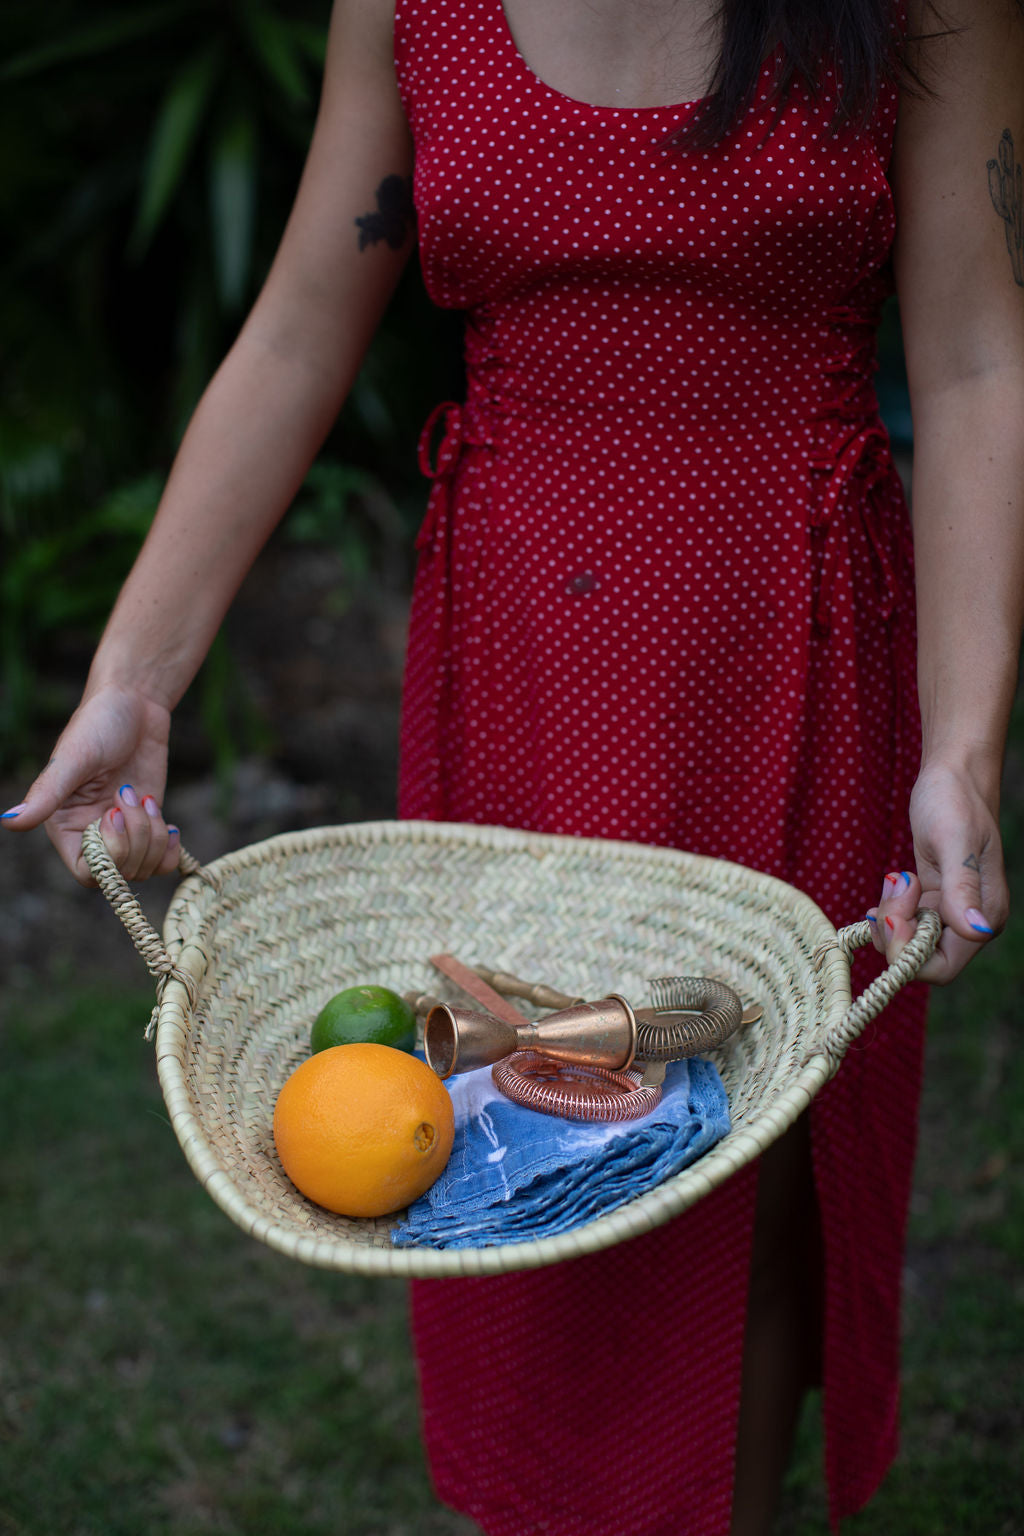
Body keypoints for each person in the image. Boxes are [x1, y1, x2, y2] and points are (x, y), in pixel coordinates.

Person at [4, 0, 1023, 1530]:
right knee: (493, 1123)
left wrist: (963, 748)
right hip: (523, 665)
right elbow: (295, 325)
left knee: (730, 1172)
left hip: (789, 649)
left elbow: (969, 362)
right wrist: (132, 682)